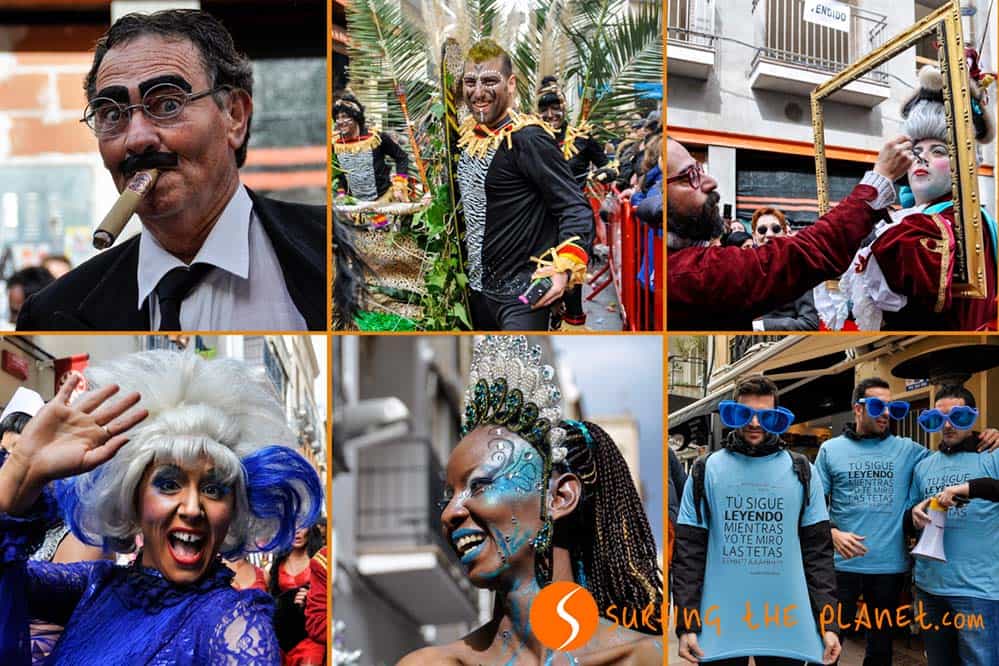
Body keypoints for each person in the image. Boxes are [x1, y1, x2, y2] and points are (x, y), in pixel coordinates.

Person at [0, 350, 323, 664]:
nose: (193, 508)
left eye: (214, 489)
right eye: (169, 484)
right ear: (132, 497)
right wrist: (19, 474)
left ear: (234, 508)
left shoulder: (235, 627)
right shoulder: (95, 586)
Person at [16, 9, 325, 332]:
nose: (136, 139)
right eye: (112, 114)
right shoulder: (55, 311)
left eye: (167, 105)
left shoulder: (339, 251)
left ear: (234, 116)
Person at [399, 336, 662, 664]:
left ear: (559, 497)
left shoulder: (645, 658)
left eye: (479, 485)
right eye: (448, 496)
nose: (450, 512)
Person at [674, 375, 839, 665]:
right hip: (720, 622)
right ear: (732, 414)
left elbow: (818, 555)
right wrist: (686, 623)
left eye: (765, 416)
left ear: (777, 417)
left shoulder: (802, 470)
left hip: (784, 621)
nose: (753, 423)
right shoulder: (705, 470)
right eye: (744, 413)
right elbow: (689, 553)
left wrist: (829, 625)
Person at [667, 136, 911, 330]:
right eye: (690, 175)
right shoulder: (689, 272)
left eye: (700, 169)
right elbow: (800, 255)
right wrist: (875, 185)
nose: (710, 181)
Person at [843, 64, 997, 331]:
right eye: (916, 150)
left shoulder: (961, 218)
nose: (922, 157)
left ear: (961, 165)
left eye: (938, 151)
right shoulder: (909, 216)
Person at [455, 40, 593, 330]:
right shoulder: (468, 138)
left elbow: (575, 207)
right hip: (477, 294)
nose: (478, 92)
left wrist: (563, 268)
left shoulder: (528, 138)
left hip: (521, 296)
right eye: (470, 82)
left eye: (490, 81)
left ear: (511, 84)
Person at [905, 385, 999, 666]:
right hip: (929, 587)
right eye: (939, 418)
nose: (947, 425)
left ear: (972, 417)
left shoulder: (992, 456)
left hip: (979, 590)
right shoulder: (923, 465)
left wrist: (970, 488)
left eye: (957, 416)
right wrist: (914, 515)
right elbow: (908, 516)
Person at [536, 77, 614, 330]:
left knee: (571, 282)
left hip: (573, 221)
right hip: (539, 220)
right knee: (539, 277)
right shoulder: (528, 138)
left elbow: (608, 164)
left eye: (555, 107)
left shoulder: (583, 137)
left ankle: (572, 327)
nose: (550, 115)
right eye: (544, 109)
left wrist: (606, 173)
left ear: (564, 107)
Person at [744, 207, 820, 331]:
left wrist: (763, 325)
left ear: (784, 232)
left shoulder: (798, 271)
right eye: (762, 230)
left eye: (775, 229)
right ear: (754, 236)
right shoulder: (744, 270)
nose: (769, 234)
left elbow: (809, 324)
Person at [333, 93, 410, 203]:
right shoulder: (336, 144)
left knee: (383, 221)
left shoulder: (375, 138)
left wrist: (399, 184)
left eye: (345, 116)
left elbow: (402, 157)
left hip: (383, 202)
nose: (340, 122)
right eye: (337, 118)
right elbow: (340, 173)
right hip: (355, 207)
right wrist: (341, 194)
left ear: (356, 117)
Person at [269, 524, 324, 661]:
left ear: (310, 529)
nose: (297, 532)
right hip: (281, 637)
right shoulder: (277, 564)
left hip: (309, 637)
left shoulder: (319, 561)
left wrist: (310, 597)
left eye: (302, 526)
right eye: (292, 525)